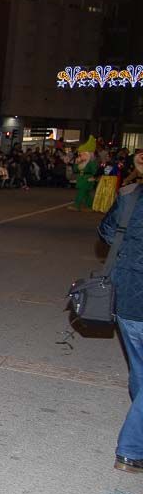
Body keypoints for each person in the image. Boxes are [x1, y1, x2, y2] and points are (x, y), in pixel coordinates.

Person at [99, 187, 143, 471]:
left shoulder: (131, 196)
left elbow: (106, 230)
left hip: (126, 295)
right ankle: (131, 448)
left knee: (139, 368)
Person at [72, 137, 98, 212]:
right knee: (86, 195)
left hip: (87, 179)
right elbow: (75, 170)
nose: (80, 155)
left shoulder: (91, 162)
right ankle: (91, 206)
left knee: (81, 193)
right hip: (81, 178)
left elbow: (95, 171)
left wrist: (93, 177)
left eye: (81, 154)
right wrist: (76, 163)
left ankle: (76, 206)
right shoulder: (81, 162)